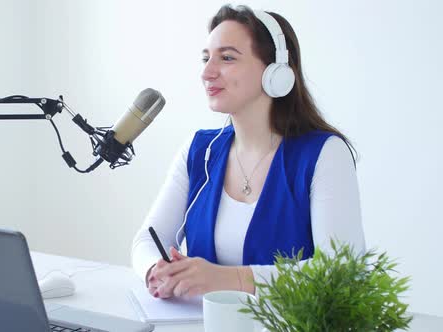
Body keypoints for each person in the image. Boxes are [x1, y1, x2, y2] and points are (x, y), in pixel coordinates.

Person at [131, 4, 366, 299]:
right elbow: (145, 241)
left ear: (276, 73)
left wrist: (226, 278)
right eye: (206, 59)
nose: (207, 73)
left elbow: (341, 271)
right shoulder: (199, 151)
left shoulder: (324, 154)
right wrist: (156, 270)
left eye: (227, 58)